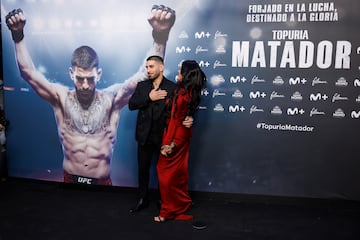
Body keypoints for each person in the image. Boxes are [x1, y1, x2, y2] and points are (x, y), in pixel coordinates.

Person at [4, 5, 176, 185]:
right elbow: (28, 73)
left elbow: (144, 75)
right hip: (70, 179)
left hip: (102, 181)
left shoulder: (112, 99)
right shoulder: (60, 98)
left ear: (98, 74)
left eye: (90, 79)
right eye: (79, 78)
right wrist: (18, 36)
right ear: (71, 73)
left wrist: (160, 36)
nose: (85, 85)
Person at [128, 56, 193, 213]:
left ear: (161, 67)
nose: (148, 70)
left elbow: (181, 109)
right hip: (144, 135)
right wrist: (148, 97)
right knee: (143, 169)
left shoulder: (173, 88)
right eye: (147, 67)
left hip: (164, 137)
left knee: (165, 171)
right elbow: (131, 104)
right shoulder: (142, 86)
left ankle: (163, 199)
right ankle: (142, 199)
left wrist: (189, 117)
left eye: (151, 66)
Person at [154, 60, 206, 222]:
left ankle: (167, 212)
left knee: (166, 173)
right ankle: (180, 205)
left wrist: (171, 144)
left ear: (186, 73)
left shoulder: (185, 95)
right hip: (173, 133)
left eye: (180, 69)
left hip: (177, 136)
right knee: (177, 175)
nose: (178, 71)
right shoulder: (182, 90)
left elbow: (180, 122)